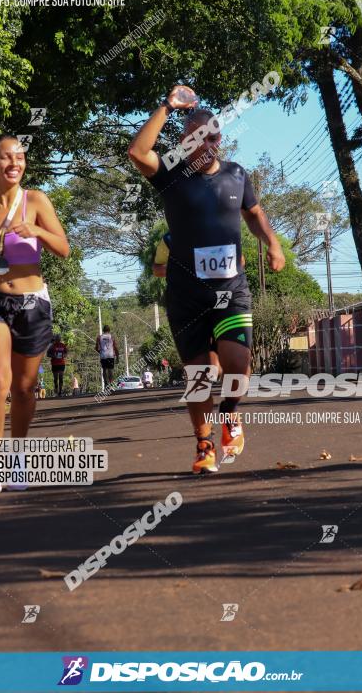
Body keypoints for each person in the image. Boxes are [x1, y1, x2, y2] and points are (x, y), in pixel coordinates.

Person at [129, 85, 286, 474]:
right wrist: (167, 106)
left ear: (220, 138)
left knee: (238, 365)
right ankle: (204, 445)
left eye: (212, 136)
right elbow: (137, 152)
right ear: (185, 142)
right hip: (186, 294)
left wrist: (273, 243)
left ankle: (230, 414)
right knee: (199, 376)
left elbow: (254, 213)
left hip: (231, 288)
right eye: (196, 137)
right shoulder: (171, 175)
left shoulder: (237, 175)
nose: (206, 143)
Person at [0, 133, 70, 492]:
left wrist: (36, 229)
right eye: (6, 158)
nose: (14, 163)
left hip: (32, 302)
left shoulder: (36, 201)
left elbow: (64, 249)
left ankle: (18, 461)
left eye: (19, 157)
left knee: (24, 388)